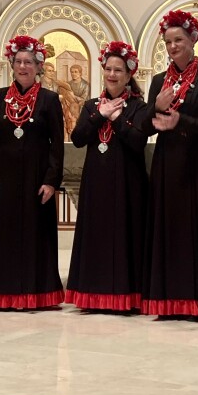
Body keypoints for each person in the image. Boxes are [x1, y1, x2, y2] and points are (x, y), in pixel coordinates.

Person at [138, 9, 198, 318]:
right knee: (170, 228)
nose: (173, 46)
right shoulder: (161, 81)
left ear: (193, 40)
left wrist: (181, 120)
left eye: (178, 40)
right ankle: (168, 299)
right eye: (168, 42)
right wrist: (155, 108)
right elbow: (146, 125)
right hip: (168, 163)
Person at [66, 41, 148, 311]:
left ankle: (125, 297)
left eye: (118, 70)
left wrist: (116, 120)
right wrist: (99, 116)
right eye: (108, 69)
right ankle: (92, 295)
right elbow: (78, 139)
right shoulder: (91, 105)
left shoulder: (138, 106)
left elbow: (137, 141)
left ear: (128, 75)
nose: (112, 74)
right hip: (97, 183)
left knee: (124, 237)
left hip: (127, 183)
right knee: (96, 237)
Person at [0, 35, 65, 309]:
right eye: (18, 61)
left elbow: (57, 145)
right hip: (5, 178)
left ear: (38, 66)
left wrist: (51, 181)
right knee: (4, 234)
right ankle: (3, 293)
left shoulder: (50, 99)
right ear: (11, 64)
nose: (22, 66)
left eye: (28, 62)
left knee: (35, 235)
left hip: (36, 178)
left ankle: (36, 293)